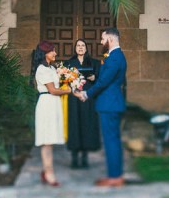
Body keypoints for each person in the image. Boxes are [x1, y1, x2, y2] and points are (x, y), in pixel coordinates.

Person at [73, 27, 127, 187]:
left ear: (110, 40)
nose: (101, 42)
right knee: (112, 140)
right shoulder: (114, 56)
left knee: (111, 141)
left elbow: (104, 82)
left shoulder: (115, 58)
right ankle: (115, 175)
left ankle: (114, 177)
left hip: (109, 104)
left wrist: (86, 94)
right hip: (110, 103)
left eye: (103, 39)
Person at [32, 40, 71, 187]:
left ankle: (46, 170)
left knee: (51, 140)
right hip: (47, 104)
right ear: (45, 54)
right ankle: (49, 173)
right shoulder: (41, 69)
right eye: (52, 51)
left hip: (54, 104)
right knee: (46, 141)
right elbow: (53, 90)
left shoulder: (52, 68)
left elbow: (59, 85)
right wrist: (68, 91)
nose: (55, 53)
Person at [65, 38, 101, 169]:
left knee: (87, 124)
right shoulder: (68, 63)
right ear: (75, 49)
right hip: (74, 97)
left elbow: (102, 79)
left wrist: (94, 77)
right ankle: (74, 158)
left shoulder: (95, 63)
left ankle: (85, 157)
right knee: (74, 124)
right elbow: (64, 81)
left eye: (83, 45)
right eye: (78, 45)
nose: (80, 47)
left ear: (86, 48)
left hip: (88, 97)